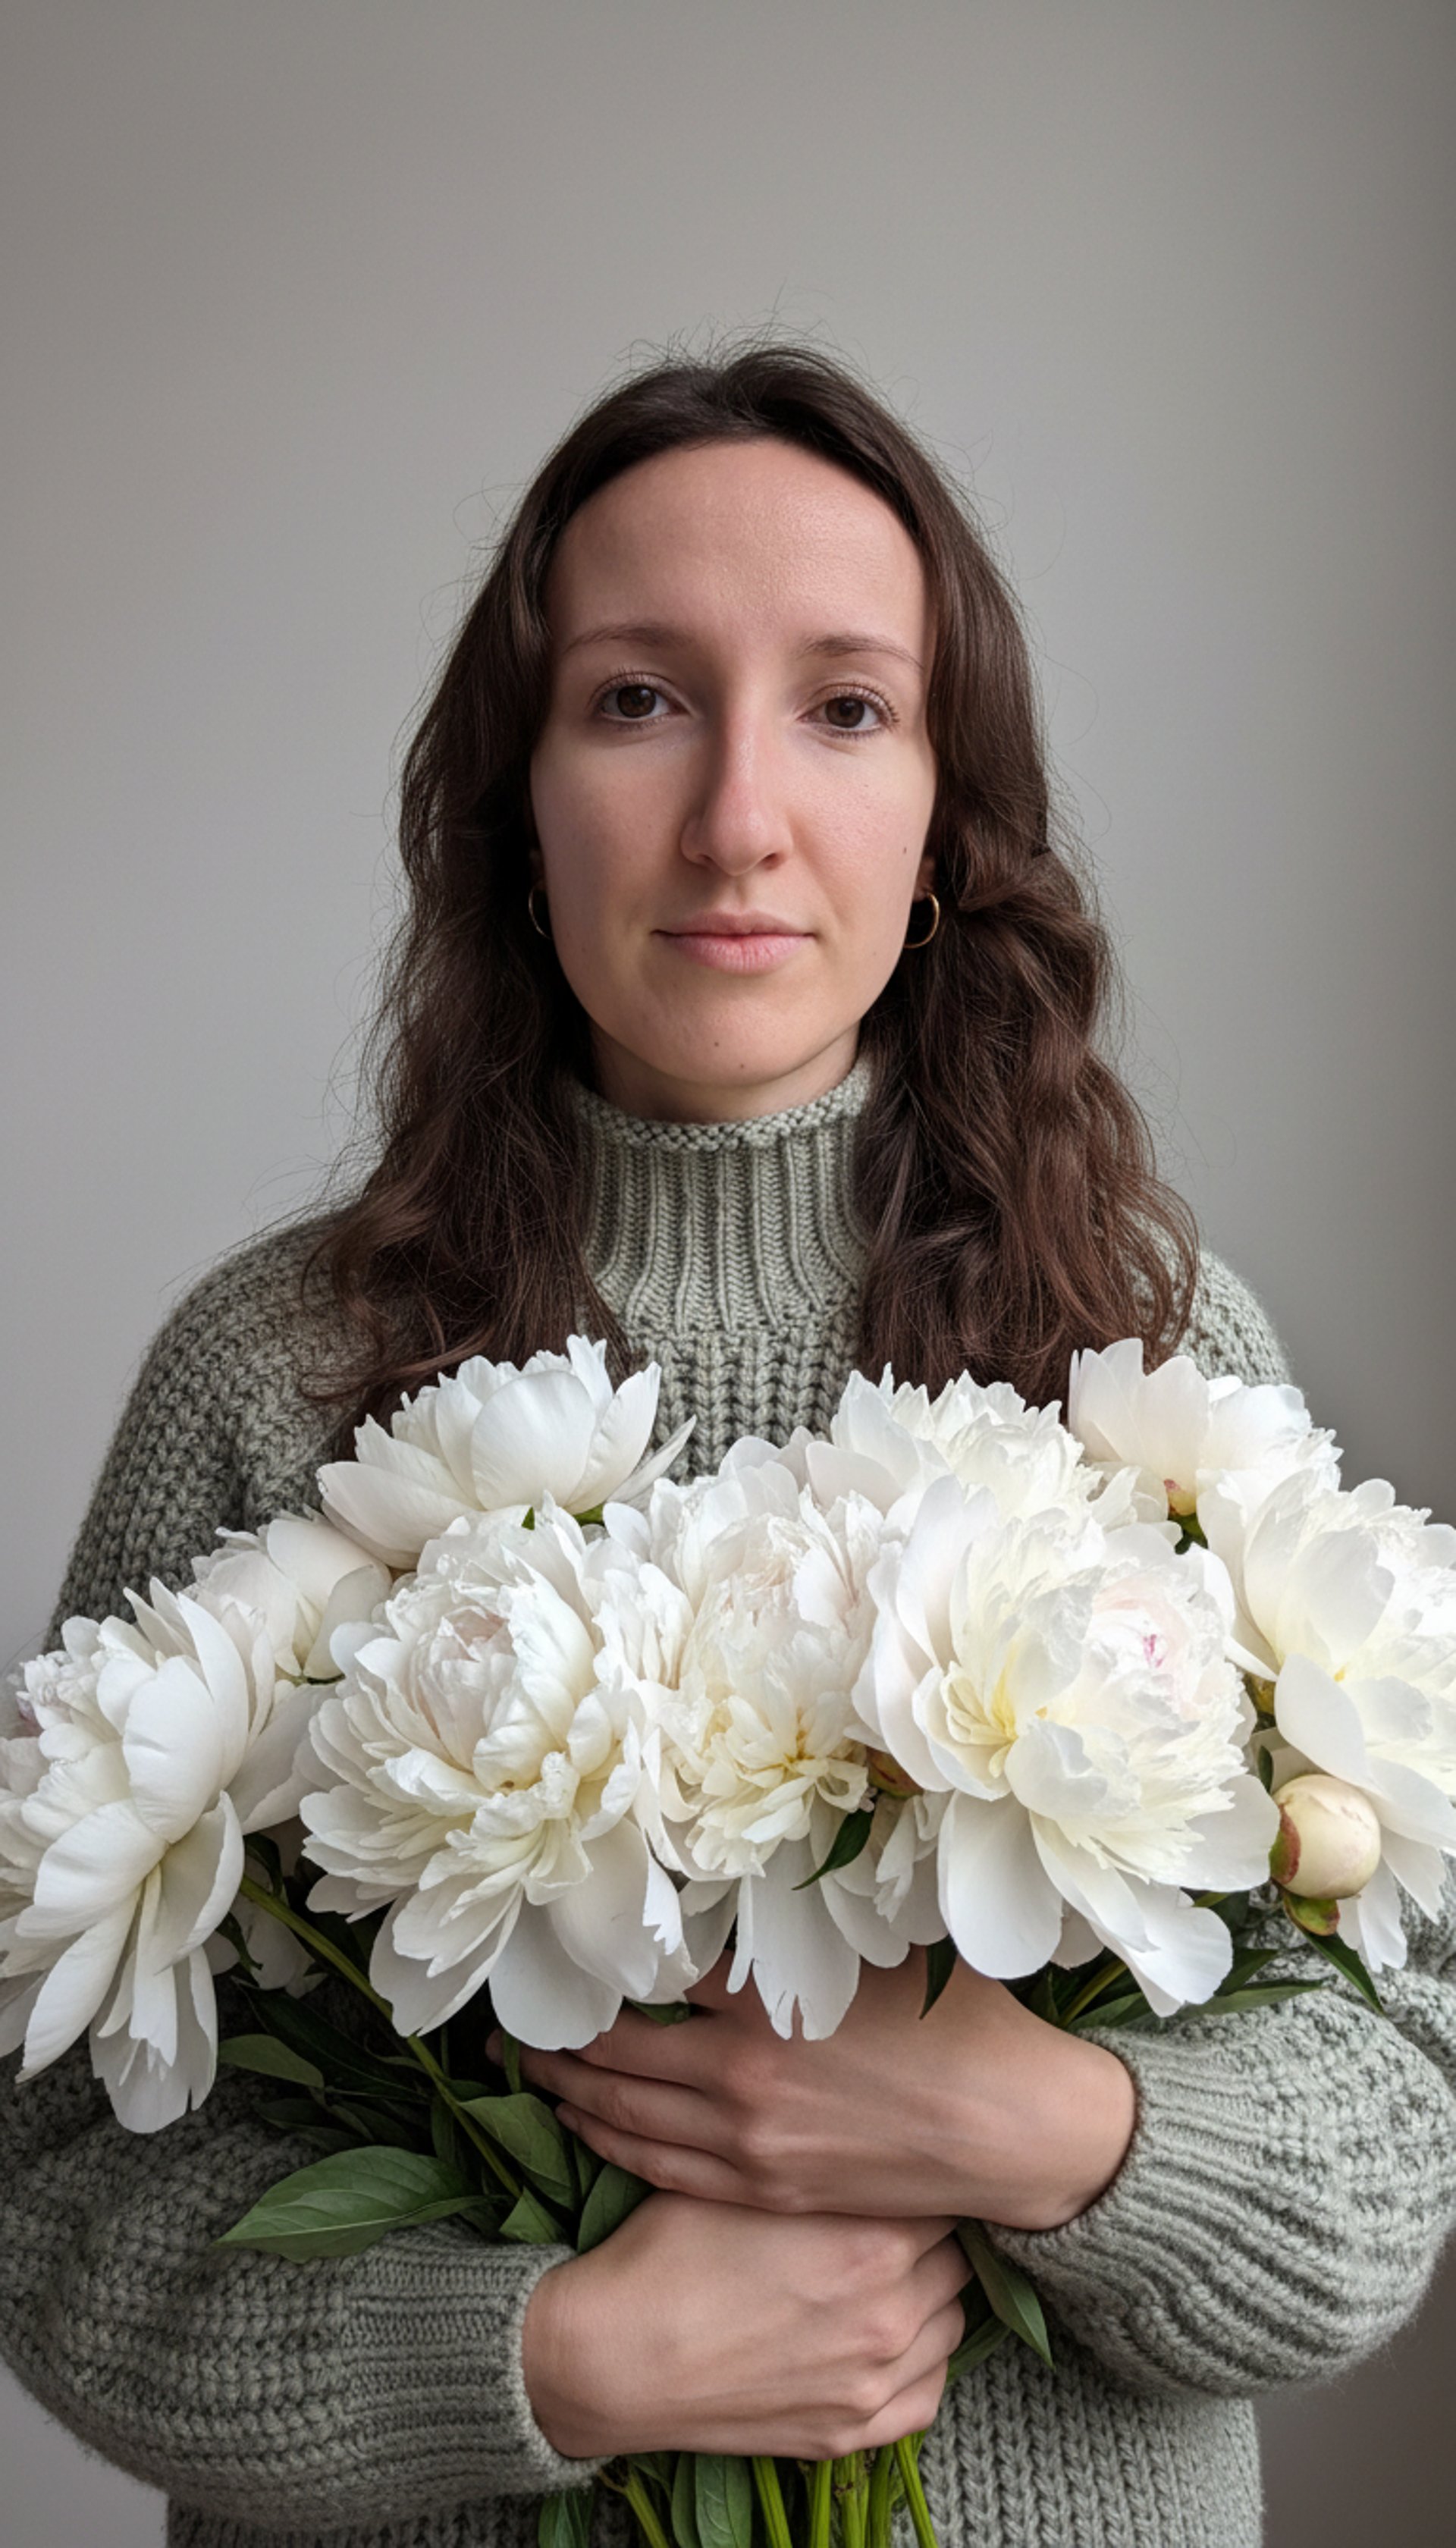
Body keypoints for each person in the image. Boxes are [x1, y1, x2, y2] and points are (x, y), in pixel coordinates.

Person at [4, 344, 1453, 2548]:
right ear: (515, 803)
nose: (739, 820)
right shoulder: (269, 1379)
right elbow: (45, 2187)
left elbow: (1393, 2119)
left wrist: (1051, 2130)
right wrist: (554, 2364)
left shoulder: (1153, 1350)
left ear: (948, 818)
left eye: (847, 707)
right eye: (639, 699)